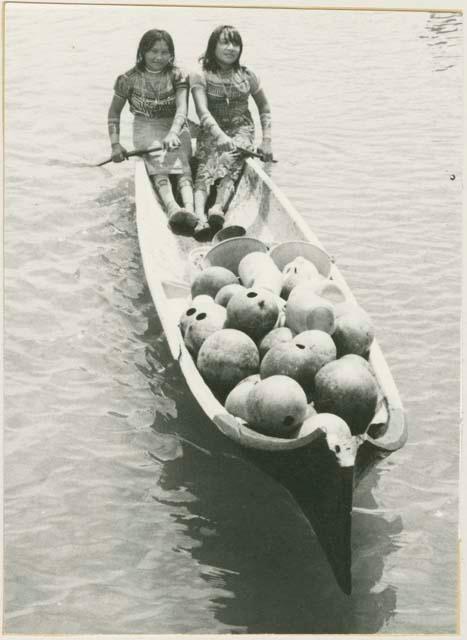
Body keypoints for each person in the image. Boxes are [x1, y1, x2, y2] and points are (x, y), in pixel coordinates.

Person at [107, 29, 197, 230]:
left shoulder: (178, 75)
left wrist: (174, 132)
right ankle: (172, 207)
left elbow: (182, 108)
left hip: (174, 123)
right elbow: (114, 114)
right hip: (145, 124)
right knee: (157, 159)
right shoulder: (126, 79)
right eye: (153, 51)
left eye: (165, 52)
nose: (159, 57)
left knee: (181, 162)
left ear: (171, 54)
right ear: (142, 52)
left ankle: (190, 209)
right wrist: (115, 145)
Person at [190, 25, 274, 237]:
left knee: (233, 157)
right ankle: (199, 215)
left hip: (241, 128)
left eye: (235, 43)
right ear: (213, 46)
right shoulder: (200, 74)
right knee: (206, 162)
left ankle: (217, 207)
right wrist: (219, 136)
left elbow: (264, 107)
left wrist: (267, 141)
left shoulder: (248, 75)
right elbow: (202, 112)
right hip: (212, 128)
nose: (231, 48)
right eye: (225, 43)